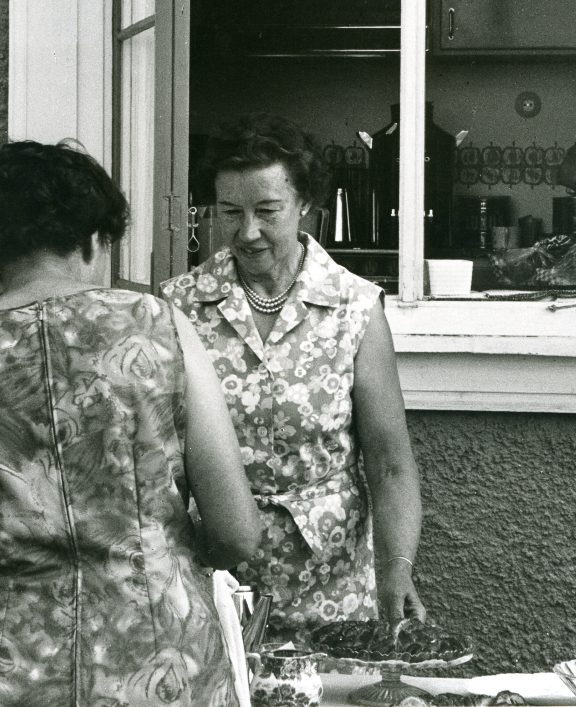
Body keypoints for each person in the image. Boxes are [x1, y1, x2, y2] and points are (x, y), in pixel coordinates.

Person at [0, 140, 261, 707]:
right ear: (93, 237)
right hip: (160, 661)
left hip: (1, 671)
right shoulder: (158, 325)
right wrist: (163, 556)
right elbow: (237, 531)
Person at [161, 114, 425, 643]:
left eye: (267, 211)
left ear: (305, 203)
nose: (247, 232)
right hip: (213, 580)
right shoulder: (177, 306)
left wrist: (396, 568)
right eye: (230, 212)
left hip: (333, 585)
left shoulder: (354, 307)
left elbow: (391, 464)